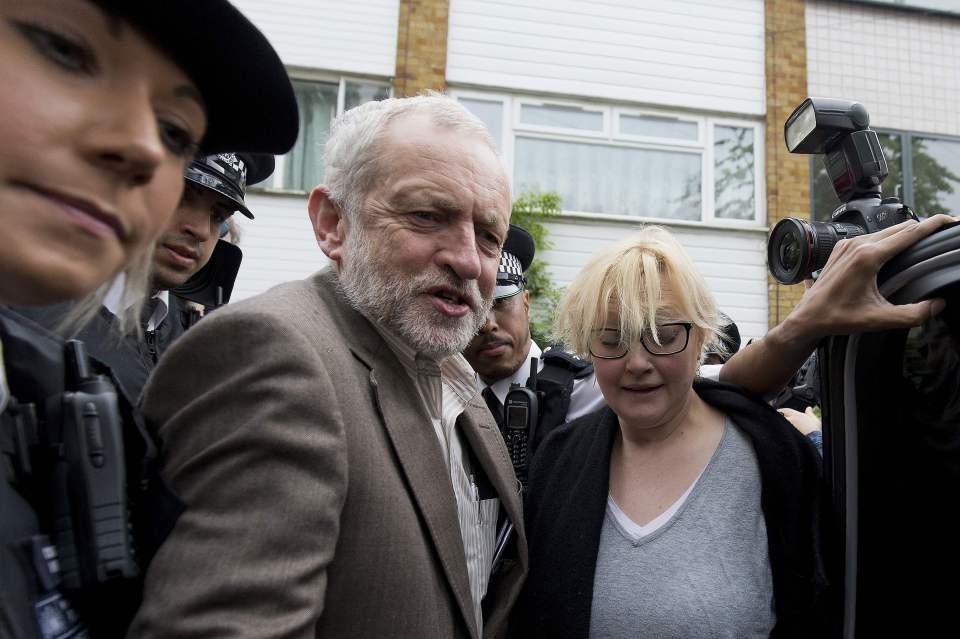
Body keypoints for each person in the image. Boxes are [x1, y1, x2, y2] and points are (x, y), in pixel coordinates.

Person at [128, 94, 526, 638]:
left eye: (488, 235)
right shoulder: (270, 353)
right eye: (428, 216)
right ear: (332, 222)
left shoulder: (453, 371)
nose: (466, 258)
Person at [0, 1, 299, 636]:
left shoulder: (179, 334)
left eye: (173, 133)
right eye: (64, 52)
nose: (139, 148)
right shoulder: (41, 325)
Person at [514, 227, 829, 638]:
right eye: (613, 340)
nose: (637, 362)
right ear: (588, 348)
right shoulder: (558, 462)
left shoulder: (774, 457)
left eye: (663, 336)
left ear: (700, 338)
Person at [16, 152, 274, 403]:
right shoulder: (25, 318)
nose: (202, 230)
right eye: (181, 197)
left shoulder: (196, 341)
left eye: (218, 216)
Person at [464, 224, 603, 454]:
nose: (488, 324)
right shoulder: (448, 401)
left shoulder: (588, 390)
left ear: (526, 303)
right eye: (473, 309)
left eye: (500, 302)